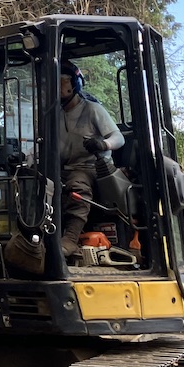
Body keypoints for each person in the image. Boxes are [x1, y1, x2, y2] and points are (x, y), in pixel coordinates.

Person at [58, 60, 124, 259]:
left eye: (61, 81)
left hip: (91, 168)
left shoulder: (93, 110)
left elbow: (118, 138)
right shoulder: (53, 115)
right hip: (63, 167)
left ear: (74, 84)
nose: (56, 86)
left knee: (77, 184)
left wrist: (103, 144)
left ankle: (69, 239)